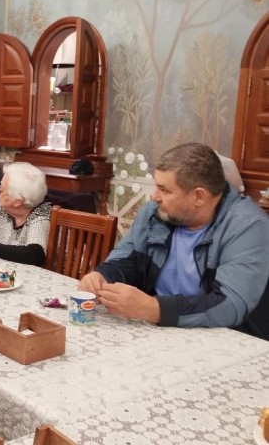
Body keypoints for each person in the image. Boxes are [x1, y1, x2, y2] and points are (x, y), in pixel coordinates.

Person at [78, 143, 269, 340]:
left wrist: (154, 308)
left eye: (164, 190)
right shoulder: (154, 213)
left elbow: (230, 305)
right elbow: (127, 258)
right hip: (162, 331)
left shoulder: (249, 226)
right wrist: (102, 276)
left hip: (226, 340)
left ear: (198, 196)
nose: (154, 197)